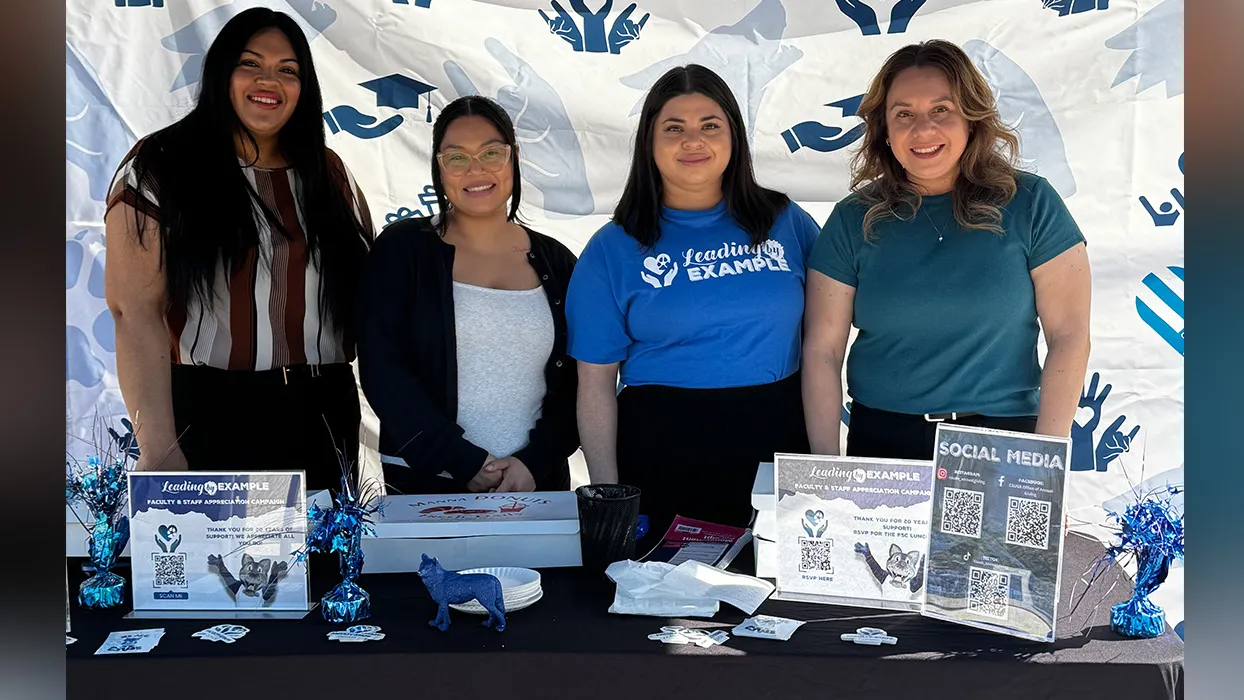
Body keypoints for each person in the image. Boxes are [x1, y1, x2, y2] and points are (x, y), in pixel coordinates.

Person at [104, 9, 374, 490]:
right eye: (250, 64)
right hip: (210, 413)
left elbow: (371, 300)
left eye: (288, 69)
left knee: (322, 543)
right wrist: (159, 447)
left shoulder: (328, 174)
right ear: (221, 73)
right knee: (219, 545)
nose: (269, 81)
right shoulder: (162, 166)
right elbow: (134, 311)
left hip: (323, 411)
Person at [802, 40, 1092, 461]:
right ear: (884, 130)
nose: (923, 130)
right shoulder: (852, 219)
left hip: (1002, 444)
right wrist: (824, 468)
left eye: (941, 109)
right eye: (904, 114)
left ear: (971, 119)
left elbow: (1069, 336)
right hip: (884, 445)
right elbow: (823, 352)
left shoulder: (1031, 203)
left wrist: (1045, 463)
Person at [568, 65, 819, 541]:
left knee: (776, 584)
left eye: (709, 125)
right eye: (674, 128)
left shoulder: (786, 222)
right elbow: (595, 384)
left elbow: (826, 343)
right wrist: (610, 499)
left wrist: (825, 470)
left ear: (734, 135)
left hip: (777, 442)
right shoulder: (612, 248)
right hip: (663, 452)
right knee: (663, 589)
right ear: (649, 141)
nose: (693, 141)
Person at [357, 95, 579, 496]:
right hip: (427, 488)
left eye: (491, 153)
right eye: (457, 157)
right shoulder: (403, 250)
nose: (476, 170)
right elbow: (383, 370)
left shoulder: (558, 261)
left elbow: (579, 383)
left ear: (513, 158)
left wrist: (534, 462)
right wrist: (462, 461)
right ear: (439, 168)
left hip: (536, 488)